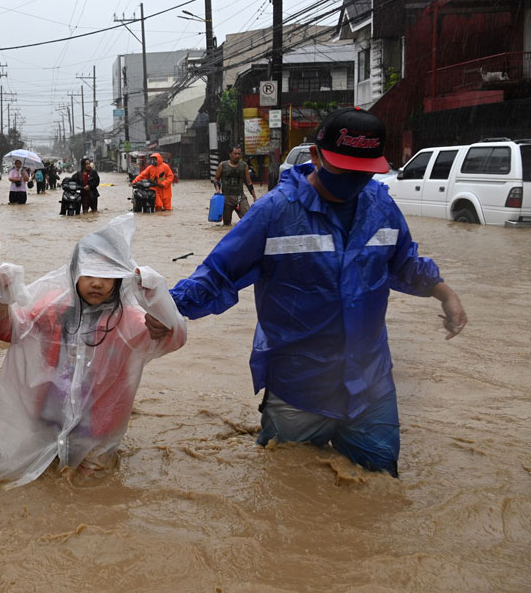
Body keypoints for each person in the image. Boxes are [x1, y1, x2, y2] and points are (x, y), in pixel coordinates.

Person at [163, 108, 467, 477]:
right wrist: (166, 309)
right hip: (298, 387)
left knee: (380, 487)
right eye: (344, 168)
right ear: (316, 157)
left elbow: (403, 262)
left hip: (371, 384)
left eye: (364, 170)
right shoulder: (275, 212)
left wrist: (445, 294)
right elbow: (218, 274)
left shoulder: (381, 207)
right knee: (286, 491)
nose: (355, 179)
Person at [0, 213, 186, 486]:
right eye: (89, 273)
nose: (97, 282)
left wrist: (159, 306)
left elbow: (172, 339)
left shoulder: (128, 319)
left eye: (107, 274)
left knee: (90, 486)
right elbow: (12, 331)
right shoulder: (53, 307)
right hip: (52, 412)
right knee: (48, 479)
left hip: (100, 424)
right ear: (74, 273)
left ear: (119, 278)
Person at [214, 146, 256, 225]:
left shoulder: (244, 166)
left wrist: (254, 197)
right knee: (226, 224)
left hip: (240, 198)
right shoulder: (223, 165)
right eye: (235, 154)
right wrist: (217, 190)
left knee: (249, 220)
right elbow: (216, 179)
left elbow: (249, 182)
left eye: (239, 154)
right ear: (230, 154)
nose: (237, 156)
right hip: (226, 198)